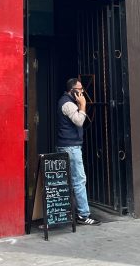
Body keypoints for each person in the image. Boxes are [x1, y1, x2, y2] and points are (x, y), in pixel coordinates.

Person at [57, 78, 101, 226]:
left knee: (72, 181)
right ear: (72, 90)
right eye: (80, 89)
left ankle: (71, 212)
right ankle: (83, 214)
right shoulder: (68, 103)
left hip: (69, 146)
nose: (82, 91)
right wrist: (83, 105)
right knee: (79, 180)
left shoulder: (68, 101)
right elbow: (79, 121)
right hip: (71, 147)